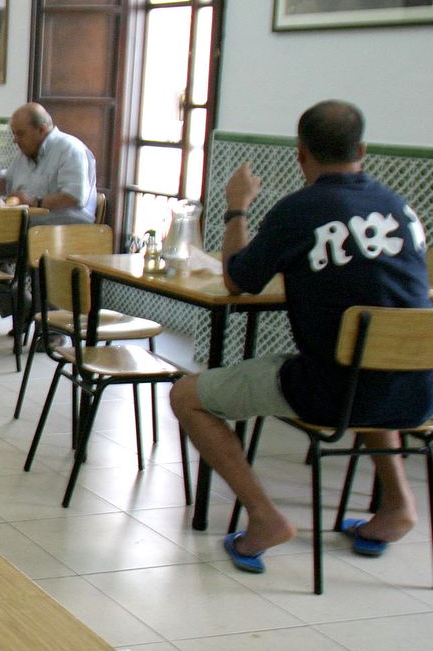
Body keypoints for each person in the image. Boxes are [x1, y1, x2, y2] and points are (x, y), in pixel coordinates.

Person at [170, 100, 432, 574]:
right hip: (418, 393)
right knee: (369, 363)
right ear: (364, 150)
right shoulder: (400, 207)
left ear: (301, 155)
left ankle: (264, 517)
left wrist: (237, 207)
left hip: (328, 393)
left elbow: (236, 280)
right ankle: (398, 506)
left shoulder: (300, 211)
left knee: (188, 395)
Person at [0, 102, 97, 323]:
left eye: (20, 133)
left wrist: (36, 200)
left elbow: (74, 197)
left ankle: (52, 328)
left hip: (67, 227)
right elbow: (8, 182)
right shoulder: (24, 153)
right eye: (14, 134)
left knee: (42, 248)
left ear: (42, 129)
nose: (15, 139)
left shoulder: (69, 148)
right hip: (30, 227)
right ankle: (22, 308)